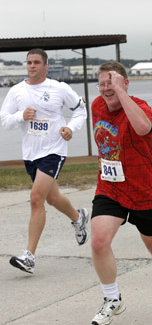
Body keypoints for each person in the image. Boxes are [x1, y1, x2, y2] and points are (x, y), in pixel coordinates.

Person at [90, 61, 152, 325]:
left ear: (125, 84)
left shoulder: (141, 107)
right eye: (103, 84)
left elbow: (143, 128)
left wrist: (121, 94)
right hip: (110, 187)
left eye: (113, 83)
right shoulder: (97, 105)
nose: (107, 89)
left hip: (144, 189)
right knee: (99, 241)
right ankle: (112, 298)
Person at [0, 48, 89, 274]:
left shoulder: (58, 88)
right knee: (52, 198)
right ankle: (78, 218)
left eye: (37, 62)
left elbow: (80, 109)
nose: (32, 66)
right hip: (31, 153)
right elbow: (4, 120)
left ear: (46, 66)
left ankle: (29, 256)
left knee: (36, 198)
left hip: (54, 150)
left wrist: (70, 127)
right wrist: (22, 116)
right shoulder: (17, 91)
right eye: (29, 62)